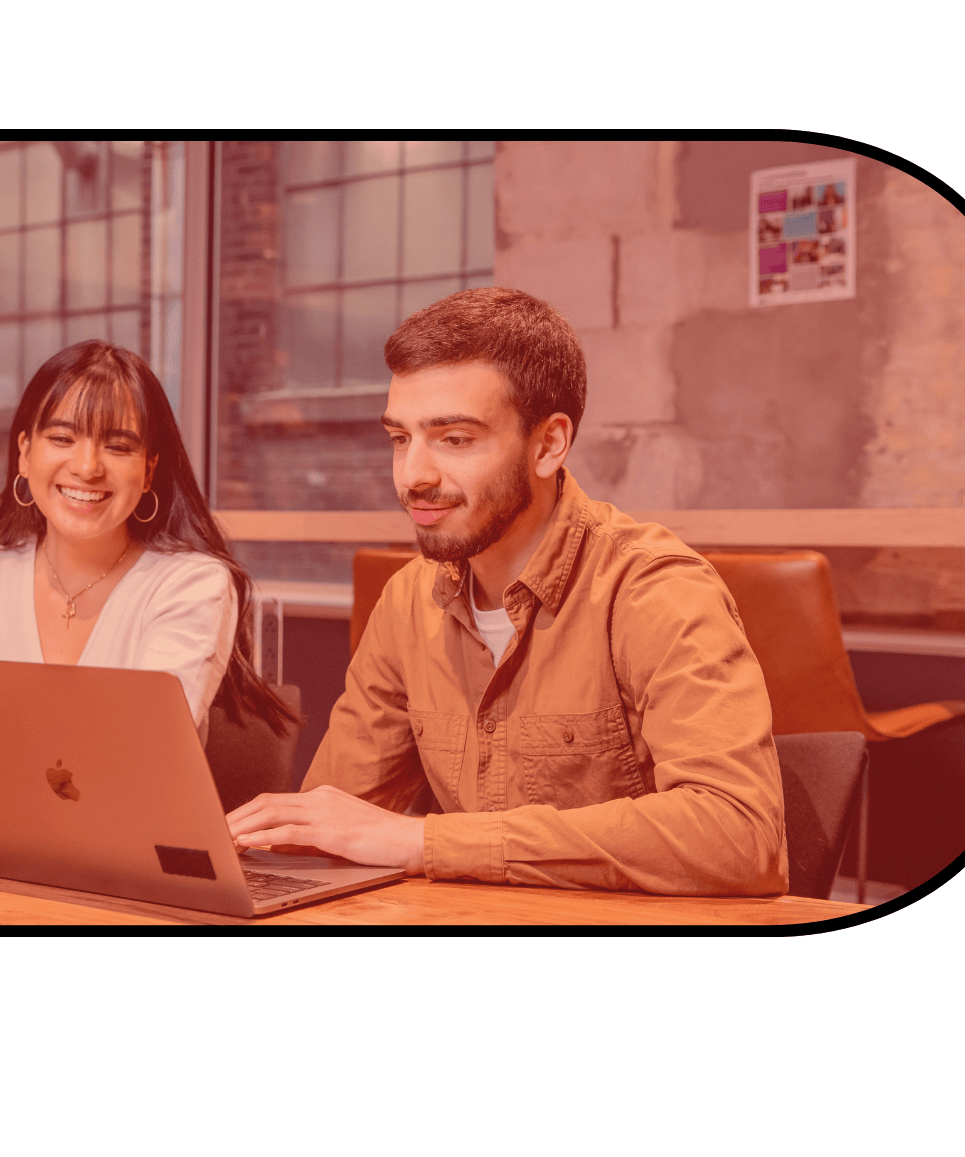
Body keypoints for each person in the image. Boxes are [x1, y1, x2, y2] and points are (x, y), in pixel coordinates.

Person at [226, 288, 788, 896]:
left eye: (455, 440)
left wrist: (424, 843)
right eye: (399, 438)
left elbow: (738, 834)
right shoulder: (408, 599)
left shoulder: (653, 588)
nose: (413, 474)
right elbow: (339, 822)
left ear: (548, 445)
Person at [0, 341, 296, 784]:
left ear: (149, 468)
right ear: (25, 453)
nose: (87, 467)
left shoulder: (191, 585)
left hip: (122, 850)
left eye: (118, 447)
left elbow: (136, 751)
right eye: (62, 439)